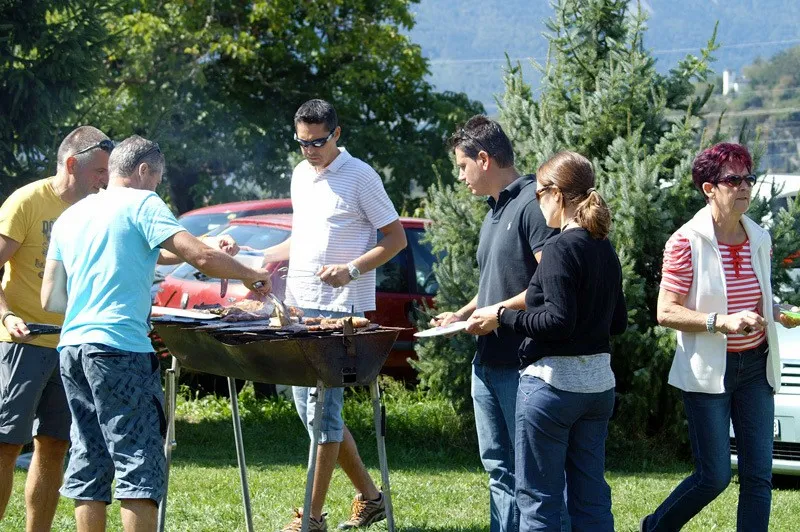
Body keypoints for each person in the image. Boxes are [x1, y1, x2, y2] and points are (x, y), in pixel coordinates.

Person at [40, 135, 272, 532]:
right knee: (138, 462)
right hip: (119, 349)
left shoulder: (73, 215)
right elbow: (200, 258)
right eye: (157, 179)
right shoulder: (143, 203)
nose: (157, 187)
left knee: (90, 458)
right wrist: (252, 275)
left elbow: (50, 297)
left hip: (73, 348)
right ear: (144, 170)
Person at [261, 99, 406, 532]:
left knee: (322, 416)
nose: (310, 150)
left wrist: (352, 269)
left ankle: (311, 517)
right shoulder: (300, 175)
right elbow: (301, 239)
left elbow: (395, 238)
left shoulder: (361, 176)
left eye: (318, 142)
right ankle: (372, 497)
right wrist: (255, 257)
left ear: (336, 134)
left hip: (340, 314)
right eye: (302, 142)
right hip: (298, 308)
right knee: (316, 415)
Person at [640, 143, 800, 532]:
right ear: (709, 188)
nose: (744, 186)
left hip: (756, 367)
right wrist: (721, 322)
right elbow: (665, 311)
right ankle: (654, 528)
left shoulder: (759, 237)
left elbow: (755, 297)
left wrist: (777, 311)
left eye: (748, 178)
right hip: (710, 370)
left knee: (759, 477)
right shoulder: (686, 241)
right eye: (733, 179)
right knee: (713, 477)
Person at [469, 151, 627, 531]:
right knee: (591, 500)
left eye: (539, 194)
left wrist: (503, 317)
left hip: (552, 389)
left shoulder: (559, 247)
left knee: (538, 502)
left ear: (556, 194)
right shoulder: (603, 246)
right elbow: (618, 322)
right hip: (598, 389)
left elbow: (557, 321)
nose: (537, 203)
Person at [430, 115, 558, 532]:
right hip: (484, 363)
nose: (460, 177)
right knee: (498, 470)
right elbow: (496, 283)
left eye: (462, 166)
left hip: (521, 364)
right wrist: (463, 313)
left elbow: (547, 282)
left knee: (530, 475)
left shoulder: (532, 206)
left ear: (484, 159)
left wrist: (496, 314)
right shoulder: (493, 212)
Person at [0, 126, 112, 531]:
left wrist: (208, 248)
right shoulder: (27, 202)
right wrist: (6, 316)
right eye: (99, 170)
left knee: (54, 446)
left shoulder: (99, 208)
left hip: (72, 347)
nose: (105, 179)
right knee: (6, 444)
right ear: (72, 164)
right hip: (22, 342)